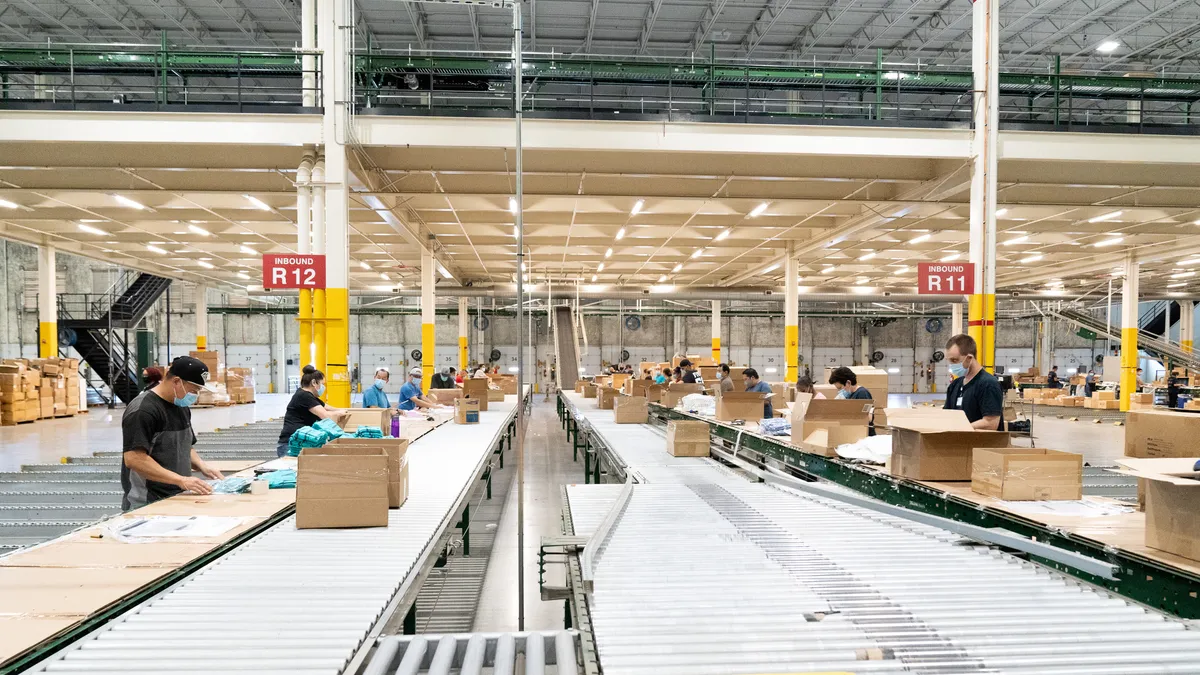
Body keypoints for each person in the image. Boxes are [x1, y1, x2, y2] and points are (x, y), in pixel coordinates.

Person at [122, 356, 224, 511]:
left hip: (176, 496)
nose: (195, 396)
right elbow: (134, 459)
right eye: (193, 390)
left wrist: (202, 466)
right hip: (147, 503)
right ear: (176, 381)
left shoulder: (181, 406)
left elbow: (184, 445)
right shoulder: (144, 410)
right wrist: (181, 480)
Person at [277, 366, 343, 457]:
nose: (323, 387)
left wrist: (344, 410)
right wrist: (340, 414)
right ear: (314, 383)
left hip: (299, 442)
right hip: (291, 444)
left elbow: (327, 407)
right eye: (321, 384)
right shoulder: (304, 396)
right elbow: (325, 415)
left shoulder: (309, 396)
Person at [943, 334, 1004, 431]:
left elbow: (991, 423)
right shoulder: (955, 385)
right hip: (957, 443)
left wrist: (961, 428)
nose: (952, 365)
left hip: (981, 444)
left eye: (955, 360)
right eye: (949, 361)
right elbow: (947, 415)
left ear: (969, 358)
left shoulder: (988, 384)